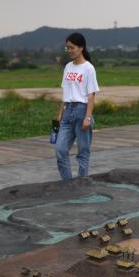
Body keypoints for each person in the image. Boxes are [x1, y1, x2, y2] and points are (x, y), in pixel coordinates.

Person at [55, 32, 99, 180]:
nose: (68, 50)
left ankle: (82, 183)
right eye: (67, 48)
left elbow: (91, 94)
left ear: (81, 48)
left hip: (82, 111)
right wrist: (60, 113)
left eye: (71, 47)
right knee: (60, 150)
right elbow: (65, 91)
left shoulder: (88, 68)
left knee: (83, 152)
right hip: (68, 111)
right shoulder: (68, 67)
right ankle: (68, 184)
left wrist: (88, 117)